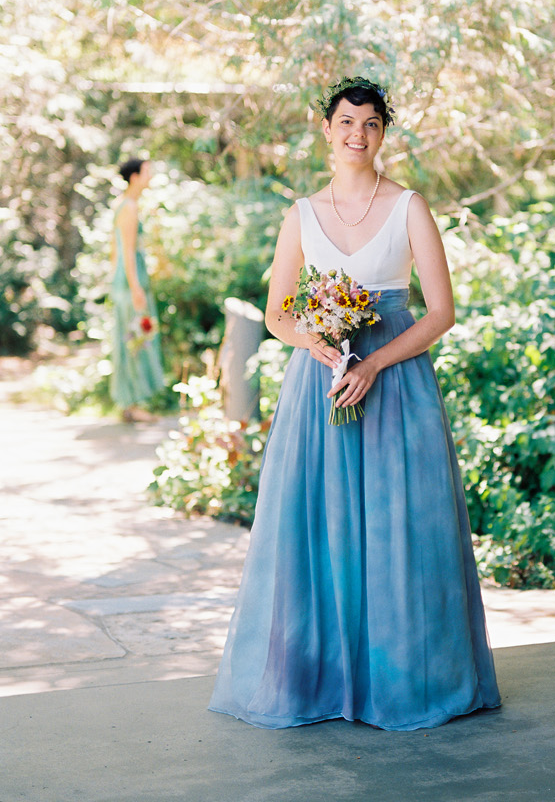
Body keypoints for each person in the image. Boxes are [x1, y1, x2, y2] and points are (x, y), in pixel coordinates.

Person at [210, 77, 500, 730]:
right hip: (322, 383)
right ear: (327, 129)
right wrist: (317, 338)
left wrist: (372, 361)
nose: (356, 134)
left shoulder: (408, 207)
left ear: (382, 134)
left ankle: (402, 678)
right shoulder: (301, 214)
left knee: (400, 526)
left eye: (370, 124)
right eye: (346, 122)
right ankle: (322, 679)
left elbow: (442, 312)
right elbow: (278, 312)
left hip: (393, 381)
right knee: (322, 526)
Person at [109, 158, 166, 421]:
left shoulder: (123, 204)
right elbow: (127, 252)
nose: (150, 176)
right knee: (135, 336)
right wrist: (135, 287)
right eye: (147, 172)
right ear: (134, 176)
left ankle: (130, 404)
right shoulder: (128, 207)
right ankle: (133, 404)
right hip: (130, 279)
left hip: (124, 278)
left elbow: (114, 251)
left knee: (130, 336)